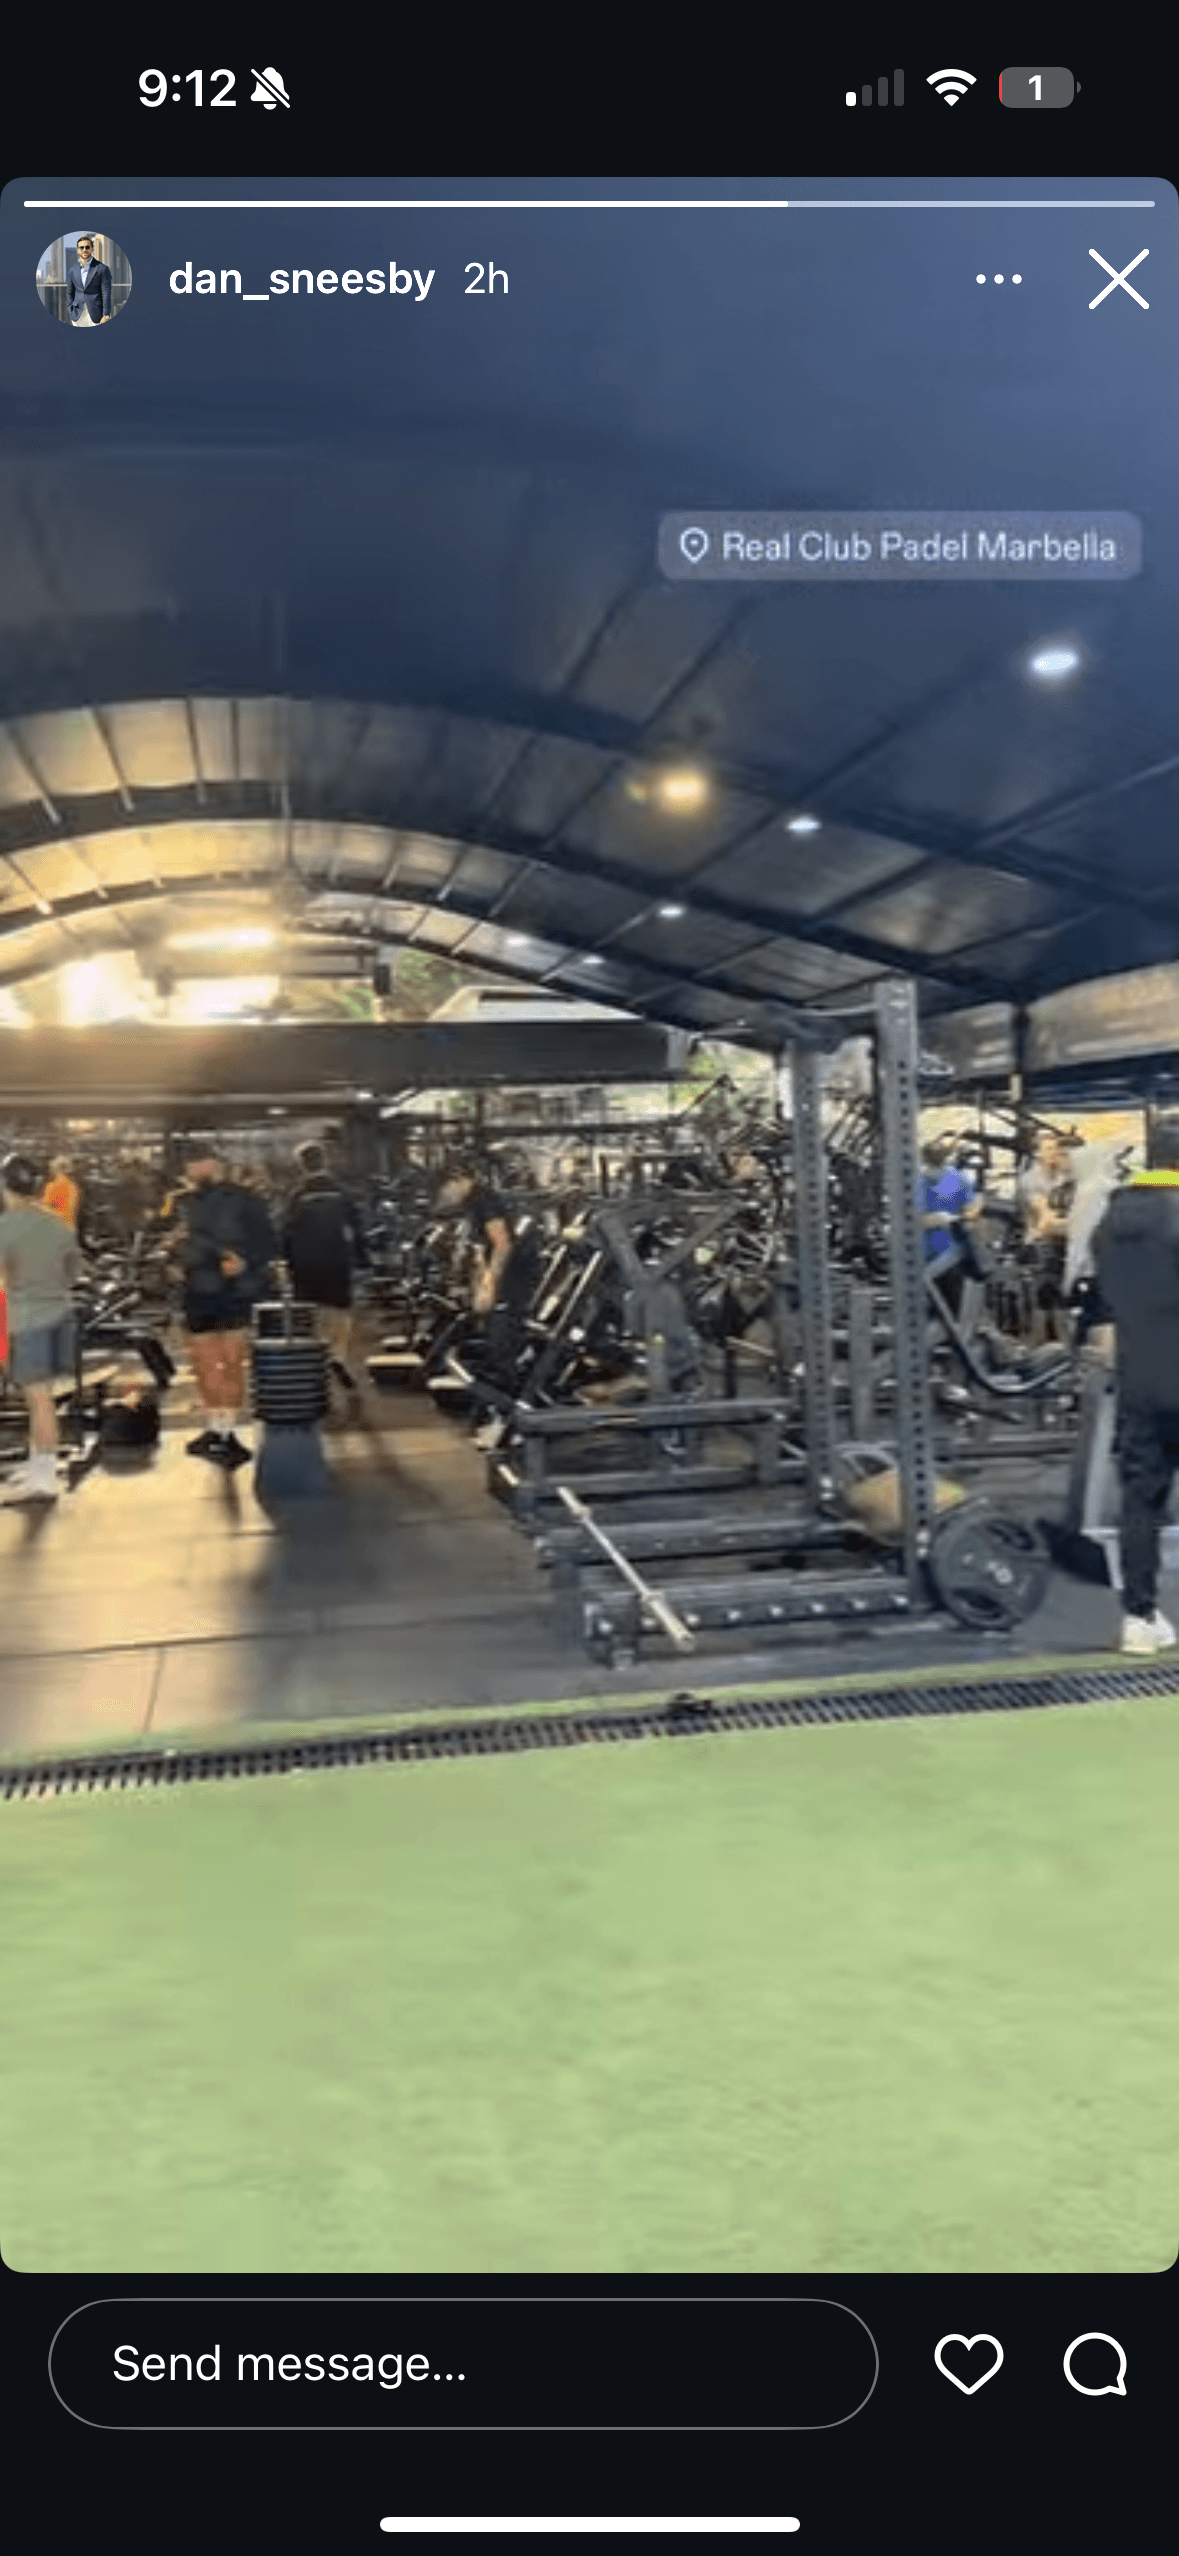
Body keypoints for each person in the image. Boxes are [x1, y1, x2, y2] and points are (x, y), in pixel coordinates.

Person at [1092, 1117, 1179, 1653]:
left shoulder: (1112, 1217)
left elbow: (1105, 1297)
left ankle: (1138, 1620)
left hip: (1140, 1379)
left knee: (1140, 1500)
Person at [173, 1138, 278, 1469]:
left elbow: (269, 1244)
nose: (194, 1169)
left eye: (199, 1162)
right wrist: (172, 1260)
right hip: (197, 1292)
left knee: (230, 1364)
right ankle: (215, 1428)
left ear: (215, 1164)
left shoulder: (247, 1202)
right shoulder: (183, 1203)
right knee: (205, 1367)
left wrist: (246, 1262)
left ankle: (227, 1430)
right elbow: (175, 1242)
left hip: (235, 1294)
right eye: (190, 1165)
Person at [436, 1159, 543, 1435]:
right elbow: (485, 1248)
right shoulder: (474, 1202)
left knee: (501, 1344)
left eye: (446, 1188)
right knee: (497, 1341)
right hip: (507, 1279)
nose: (446, 1195)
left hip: (512, 1280)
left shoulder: (485, 1201)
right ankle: (498, 1415)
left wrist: (489, 1285)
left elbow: (502, 1244)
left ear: (459, 1179)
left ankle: (505, 1421)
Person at [0, 1152, 81, 1504]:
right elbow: (73, 1273)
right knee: (42, 1397)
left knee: (39, 1399)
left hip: (27, 1318)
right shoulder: (57, 1223)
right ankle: (38, 1467)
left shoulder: (7, 1226)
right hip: (60, 1314)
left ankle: (44, 1479)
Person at [281, 1141, 369, 1393]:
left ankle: (316, 1356)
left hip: (305, 1262)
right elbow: (356, 1227)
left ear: (301, 1166)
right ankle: (338, 1356)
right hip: (336, 1258)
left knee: (311, 1312)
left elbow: (286, 1232)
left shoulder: (296, 1195)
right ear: (324, 1162)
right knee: (341, 1311)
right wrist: (362, 1258)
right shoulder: (341, 1192)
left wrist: (286, 1262)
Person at [918, 1136, 982, 1321]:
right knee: (931, 1309)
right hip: (924, 1255)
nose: (934, 1170)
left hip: (953, 1256)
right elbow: (908, 1216)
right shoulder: (918, 1181)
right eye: (931, 1164)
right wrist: (933, 1219)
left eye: (939, 1164)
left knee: (953, 1309)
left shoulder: (957, 1178)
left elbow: (974, 1205)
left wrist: (968, 1215)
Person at [66, 236, 111, 328]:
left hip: (97, 314)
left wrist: (106, 315)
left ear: (92, 249)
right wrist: (70, 309)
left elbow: (106, 293)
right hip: (77, 314)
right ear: (78, 250)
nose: (84, 250)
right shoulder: (72, 270)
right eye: (81, 247)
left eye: (87, 247)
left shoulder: (102, 268)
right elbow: (69, 292)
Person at [42, 1156, 81, 1226]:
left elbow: (46, 1208)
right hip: (69, 1225)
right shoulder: (72, 1186)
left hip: (55, 1225)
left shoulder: (53, 1186)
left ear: (54, 1169)